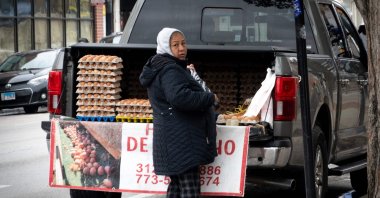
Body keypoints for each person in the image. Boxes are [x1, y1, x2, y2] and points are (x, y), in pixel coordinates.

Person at [139, 27, 218, 198]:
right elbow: (180, 97)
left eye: (183, 43)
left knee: (176, 186)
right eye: (175, 45)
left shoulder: (161, 66)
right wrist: (209, 98)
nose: (181, 48)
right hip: (182, 139)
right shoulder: (170, 69)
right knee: (190, 188)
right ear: (166, 47)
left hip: (173, 136)